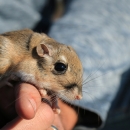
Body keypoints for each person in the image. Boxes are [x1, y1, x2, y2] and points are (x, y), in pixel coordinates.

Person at [0, 0, 130, 130]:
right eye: (60, 68)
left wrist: (64, 114)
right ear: (43, 52)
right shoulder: (17, 55)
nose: (79, 96)